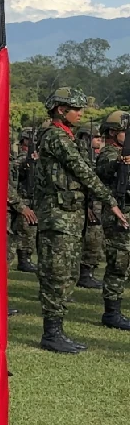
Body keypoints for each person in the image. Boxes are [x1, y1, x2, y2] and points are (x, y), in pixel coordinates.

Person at [33, 88, 127, 353]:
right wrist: (110, 201)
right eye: (77, 109)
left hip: (70, 216)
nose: (81, 113)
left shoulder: (67, 136)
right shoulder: (56, 137)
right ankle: (51, 334)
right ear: (61, 109)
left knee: (68, 273)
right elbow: (83, 171)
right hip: (58, 217)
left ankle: (57, 331)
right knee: (57, 273)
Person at [95, 110, 130, 330]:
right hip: (117, 215)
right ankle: (111, 313)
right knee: (118, 263)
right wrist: (120, 161)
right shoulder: (109, 153)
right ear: (113, 133)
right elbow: (104, 170)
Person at [77, 126, 105, 289]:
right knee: (91, 240)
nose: (99, 139)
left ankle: (89, 273)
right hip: (86, 204)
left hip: (96, 203)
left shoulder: (96, 157)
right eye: (95, 137)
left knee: (96, 239)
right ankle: (85, 274)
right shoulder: (81, 157)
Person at [13, 131, 40, 272]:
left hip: (33, 198)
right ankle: (23, 260)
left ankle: (27, 258)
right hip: (23, 198)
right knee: (25, 230)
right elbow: (14, 168)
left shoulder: (35, 157)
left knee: (31, 230)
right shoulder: (22, 157)